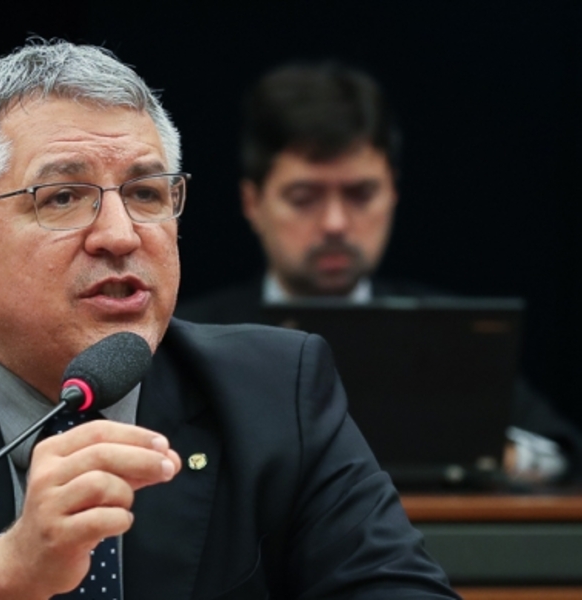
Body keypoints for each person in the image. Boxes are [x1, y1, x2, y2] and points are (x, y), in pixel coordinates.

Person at [0, 41, 458, 599]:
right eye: (63, 198)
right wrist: (4, 574)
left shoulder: (280, 390)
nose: (120, 234)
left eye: (147, 192)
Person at [176, 61, 581, 484]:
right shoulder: (190, 337)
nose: (335, 223)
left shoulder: (451, 335)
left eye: (360, 194)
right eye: (304, 197)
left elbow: (559, 455)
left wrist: (495, 452)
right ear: (252, 203)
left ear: (393, 194)